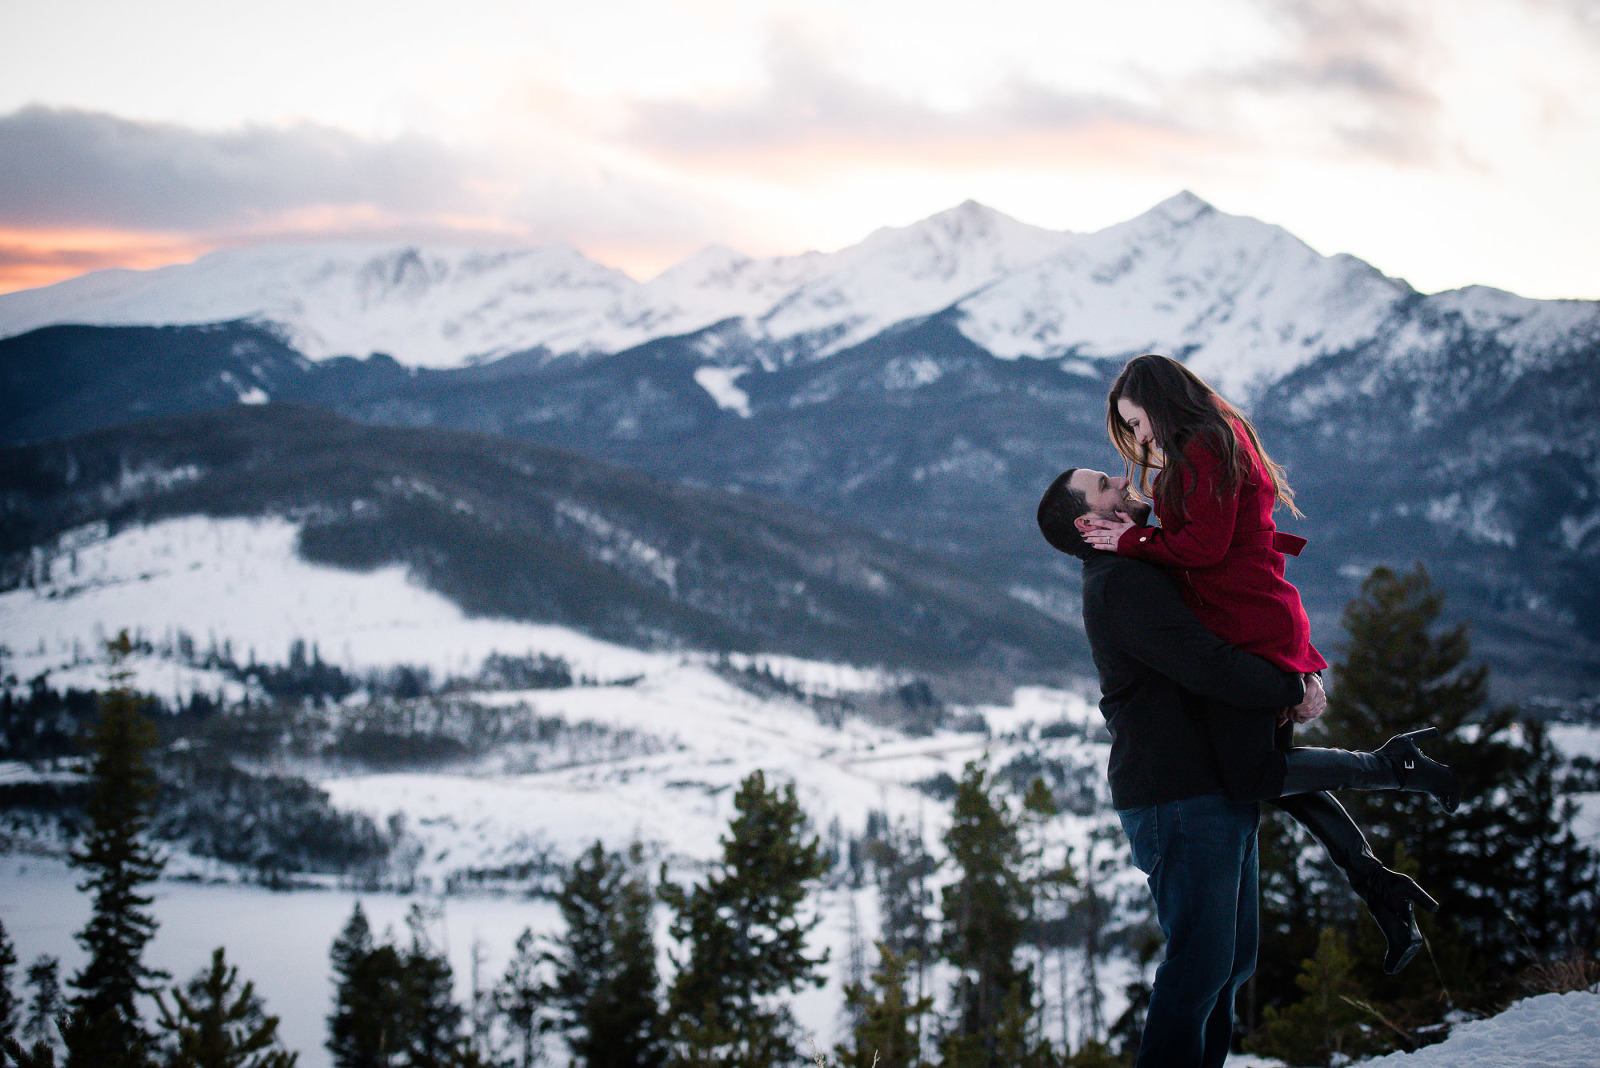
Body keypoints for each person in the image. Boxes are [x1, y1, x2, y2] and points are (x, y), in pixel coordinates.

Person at [1037, 471, 1314, 1068]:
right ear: (1090, 524)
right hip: (1176, 795)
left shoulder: (1144, 564)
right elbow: (1208, 665)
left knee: (1230, 963)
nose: (1121, 479)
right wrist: (1289, 685)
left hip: (1212, 787)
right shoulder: (1119, 584)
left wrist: (1292, 676)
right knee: (1200, 965)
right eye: (1105, 484)